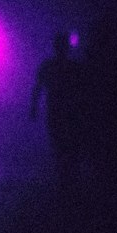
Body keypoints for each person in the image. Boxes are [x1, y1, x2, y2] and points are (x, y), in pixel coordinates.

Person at [30, 33, 85, 183]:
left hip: (56, 107)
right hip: (69, 108)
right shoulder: (74, 67)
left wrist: (33, 108)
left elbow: (38, 88)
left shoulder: (49, 65)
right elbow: (84, 90)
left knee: (58, 139)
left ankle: (64, 170)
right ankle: (70, 171)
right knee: (69, 139)